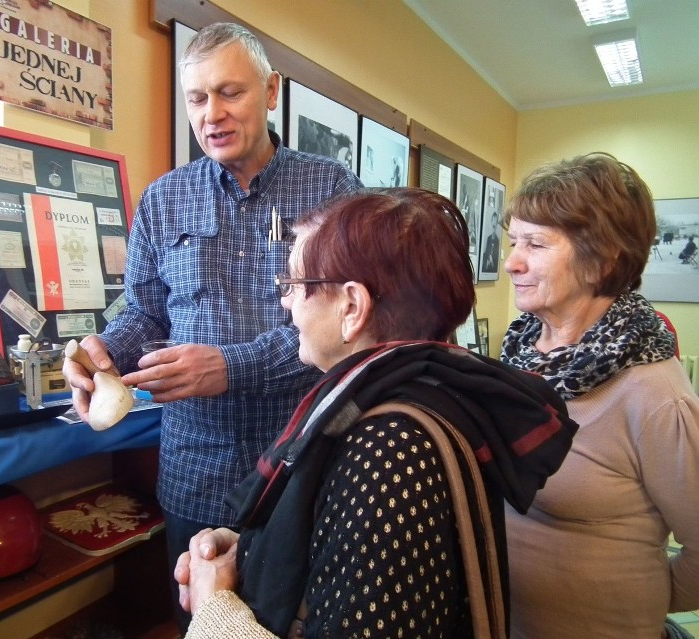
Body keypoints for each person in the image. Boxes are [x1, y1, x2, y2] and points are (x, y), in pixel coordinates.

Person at [61, 22, 362, 632]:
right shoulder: (163, 200)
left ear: (271, 91)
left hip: (303, 463)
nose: (212, 115)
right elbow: (145, 312)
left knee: (298, 623)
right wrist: (101, 354)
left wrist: (231, 368)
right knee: (204, 626)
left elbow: (348, 325)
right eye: (197, 98)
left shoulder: (331, 189)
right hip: (195, 470)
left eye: (231, 93)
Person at [174, 188, 578, 638]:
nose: (286, 301)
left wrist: (215, 607)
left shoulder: (389, 450)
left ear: (352, 307)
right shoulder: (402, 399)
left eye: (294, 285)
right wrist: (255, 551)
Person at [500, 152, 699, 639]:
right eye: (512, 242)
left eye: (536, 244)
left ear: (602, 260)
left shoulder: (654, 394)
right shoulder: (519, 352)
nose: (511, 262)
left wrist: (638, 597)